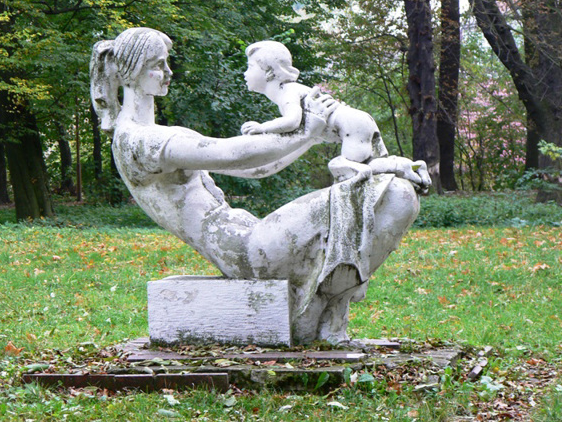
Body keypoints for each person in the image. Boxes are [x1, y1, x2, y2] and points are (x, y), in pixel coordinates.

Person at [90, 27, 431, 344]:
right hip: (245, 253)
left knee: (400, 194)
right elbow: (234, 154)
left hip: (251, 236)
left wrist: (310, 136)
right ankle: (319, 312)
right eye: (157, 65)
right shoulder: (139, 141)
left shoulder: (155, 134)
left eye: (166, 63)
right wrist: (307, 130)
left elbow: (256, 169)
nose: (168, 72)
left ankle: (323, 309)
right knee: (396, 195)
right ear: (131, 72)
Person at [241, 40, 405, 185]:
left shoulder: (288, 92)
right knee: (370, 165)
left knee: (348, 172)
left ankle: (399, 169)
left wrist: (262, 128)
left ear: (270, 71)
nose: (245, 73)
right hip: (355, 122)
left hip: (351, 125)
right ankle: (403, 167)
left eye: (250, 67)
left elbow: (292, 121)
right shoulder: (288, 91)